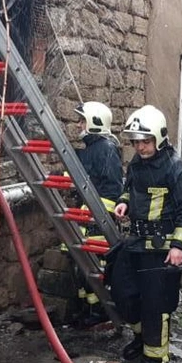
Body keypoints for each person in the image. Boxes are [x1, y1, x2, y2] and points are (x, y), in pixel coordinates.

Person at [110, 105, 182, 363]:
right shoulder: (137, 163)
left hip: (161, 249)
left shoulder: (177, 169)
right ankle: (141, 338)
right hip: (135, 242)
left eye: (145, 141)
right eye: (136, 142)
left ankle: (154, 361)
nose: (140, 147)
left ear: (160, 138)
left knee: (155, 306)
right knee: (124, 293)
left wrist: (179, 246)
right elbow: (129, 186)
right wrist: (124, 201)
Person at [71, 101, 123, 321]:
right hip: (87, 218)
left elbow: (112, 189)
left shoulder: (107, 150)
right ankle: (86, 307)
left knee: (96, 266)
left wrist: (96, 213)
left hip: (99, 221)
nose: (79, 125)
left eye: (83, 121)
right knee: (81, 266)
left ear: (94, 122)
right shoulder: (91, 149)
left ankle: (98, 311)